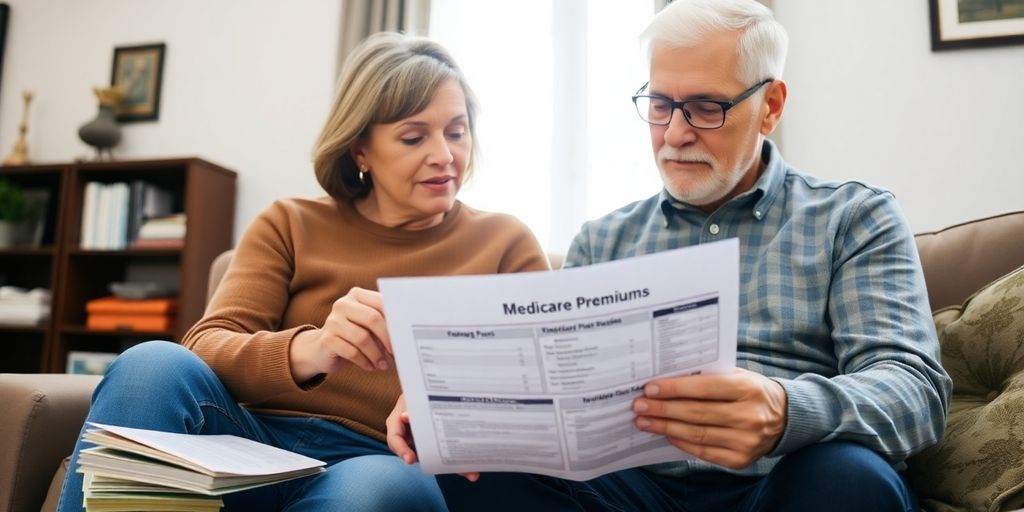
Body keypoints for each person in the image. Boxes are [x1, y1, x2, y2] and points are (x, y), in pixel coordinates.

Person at [429, 1, 951, 510]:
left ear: (770, 106)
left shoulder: (855, 218)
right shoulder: (602, 241)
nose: (675, 135)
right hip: (630, 491)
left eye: (706, 107)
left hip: (788, 478)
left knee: (848, 478)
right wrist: (462, 408)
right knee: (482, 468)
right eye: (660, 106)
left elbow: (915, 393)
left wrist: (786, 412)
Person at [57, 32, 549, 512]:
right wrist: (311, 348)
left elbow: (547, 386)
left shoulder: (506, 245)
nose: (444, 155)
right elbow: (208, 344)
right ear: (360, 150)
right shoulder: (290, 222)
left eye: (457, 132)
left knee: (377, 491)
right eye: (413, 137)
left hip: (375, 457)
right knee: (151, 364)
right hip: (249, 441)